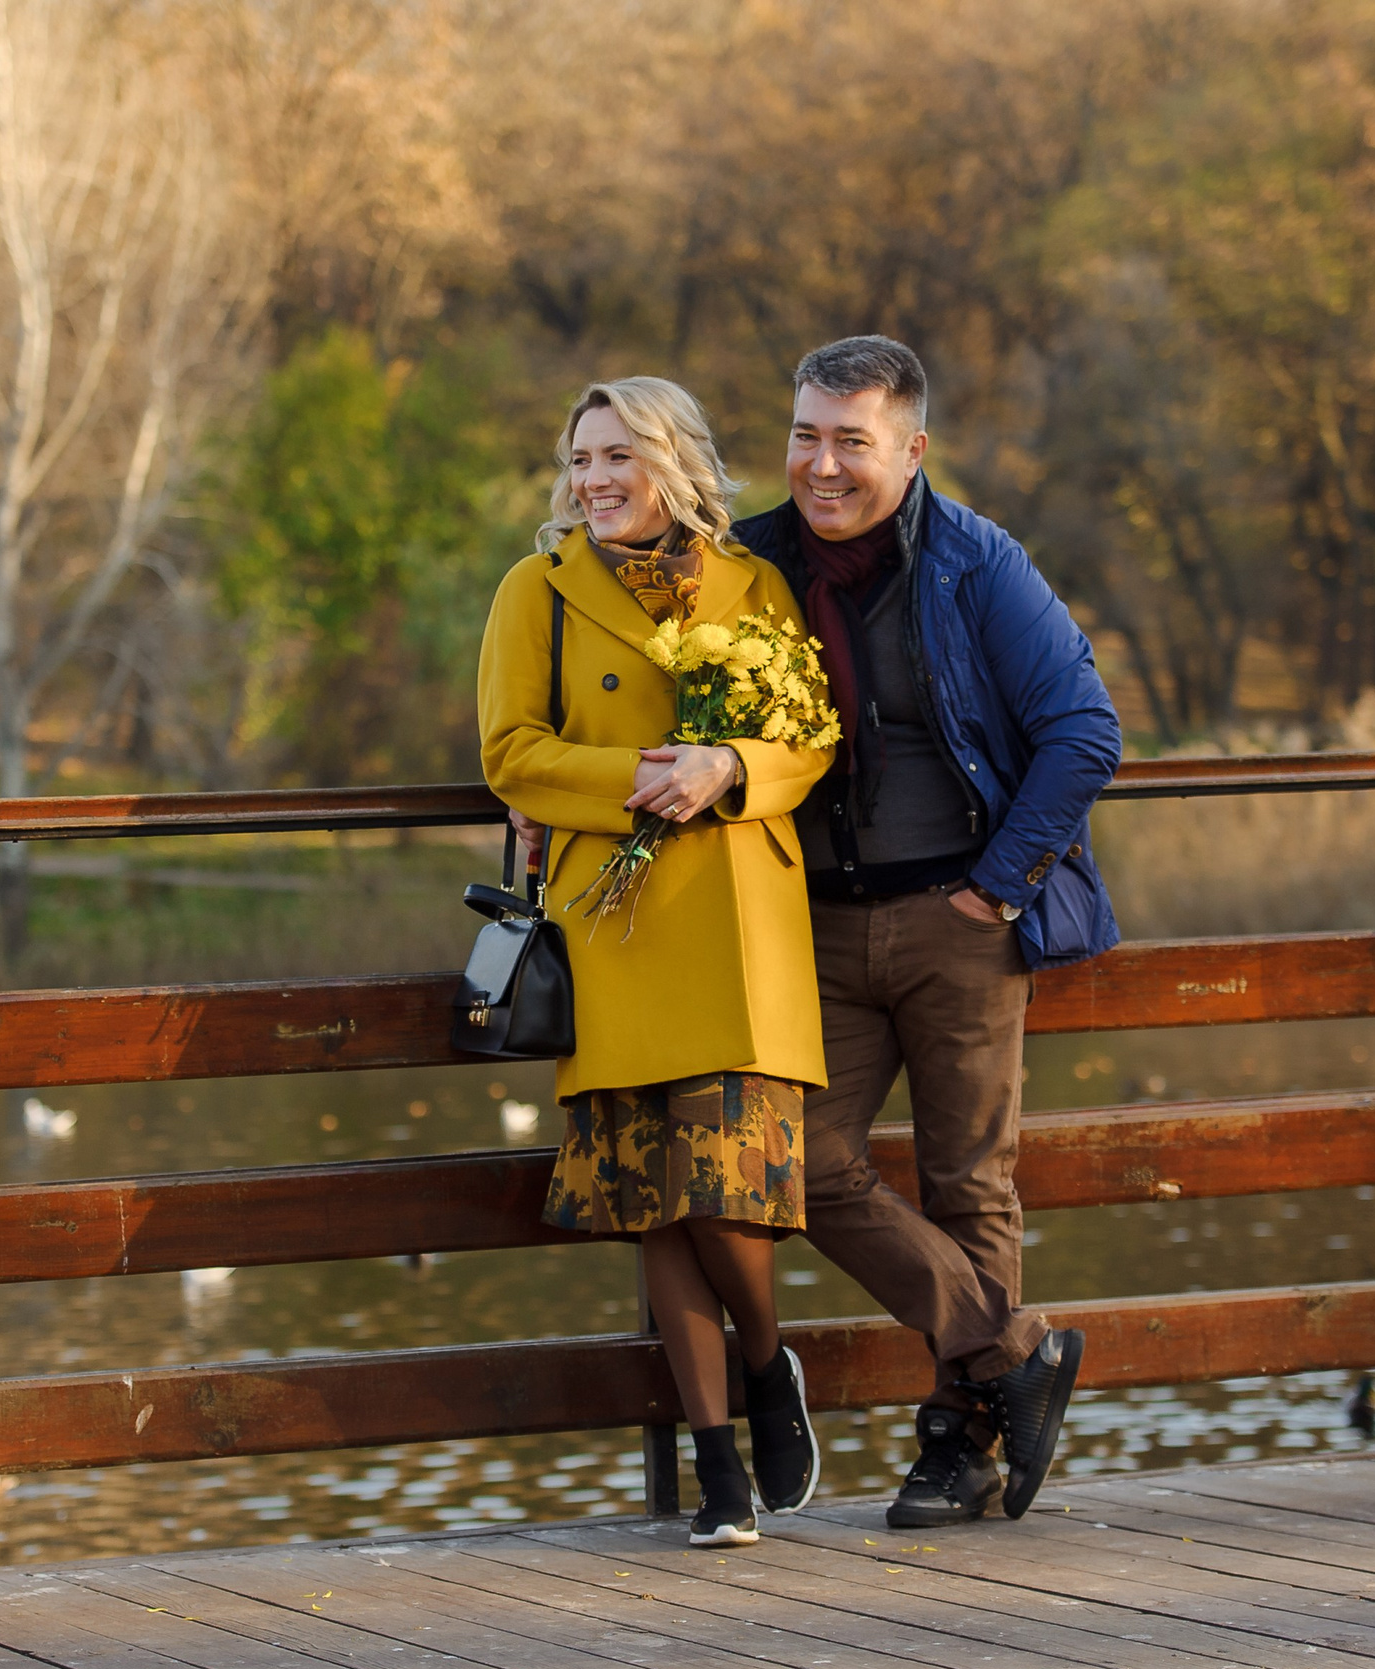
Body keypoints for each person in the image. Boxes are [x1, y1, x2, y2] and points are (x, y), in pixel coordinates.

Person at [732, 334, 1119, 1527]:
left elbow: (1081, 733)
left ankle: (961, 1446)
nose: (823, 464)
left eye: (852, 440)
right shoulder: (748, 565)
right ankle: (1011, 1357)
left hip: (960, 918)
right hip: (815, 930)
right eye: (806, 434)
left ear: (911, 448)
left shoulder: (975, 565)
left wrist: (994, 891)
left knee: (968, 1182)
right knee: (792, 1163)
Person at [479, 378, 835, 1546]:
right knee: (655, 1206)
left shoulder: (754, 582)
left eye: (617, 456)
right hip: (614, 927)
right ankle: (718, 1459)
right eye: (578, 460)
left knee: (723, 1193)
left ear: (671, 461)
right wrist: (642, 770)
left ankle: (768, 1362)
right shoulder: (537, 590)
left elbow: (809, 736)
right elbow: (510, 752)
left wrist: (726, 767)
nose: (592, 481)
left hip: (737, 920)